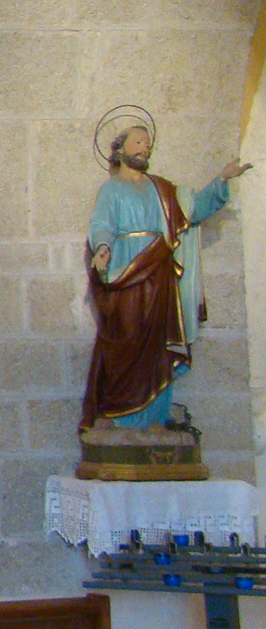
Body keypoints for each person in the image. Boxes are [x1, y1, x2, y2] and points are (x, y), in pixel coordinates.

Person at [82, 124, 249, 430]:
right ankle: (120, 420)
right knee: (126, 341)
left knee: (157, 345)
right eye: (138, 142)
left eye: (148, 144)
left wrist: (222, 179)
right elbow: (102, 223)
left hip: (159, 275)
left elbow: (193, 208)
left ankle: (156, 420)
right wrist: (103, 248)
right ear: (120, 150)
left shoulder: (161, 189)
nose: (144, 148)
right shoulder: (111, 190)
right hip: (125, 276)